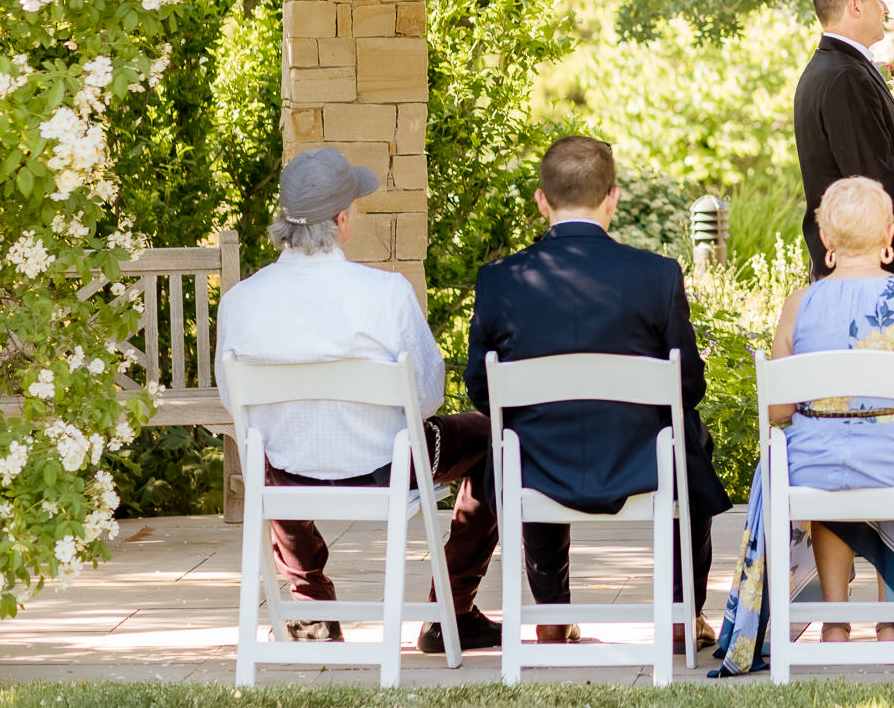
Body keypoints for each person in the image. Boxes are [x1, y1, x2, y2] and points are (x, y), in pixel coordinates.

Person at [715, 177, 894, 672]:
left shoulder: (798, 305)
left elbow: (780, 412)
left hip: (811, 465)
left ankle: (834, 623)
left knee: (823, 456)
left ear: (825, 240)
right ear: (890, 234)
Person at [216, 147, 499, 650]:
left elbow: (232, 403)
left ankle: (311, 606)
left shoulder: (241, 300)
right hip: (385, 469)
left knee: (264, 447)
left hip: (286, 476)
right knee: (496, 434)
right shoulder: (385, 293)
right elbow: (428, 398)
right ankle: (449, 613)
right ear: (342, 220)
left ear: (284, 221)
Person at [465, 135, 731, 651]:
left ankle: (552, 615)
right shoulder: (656, 274)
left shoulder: (500, 280)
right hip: (642, 461)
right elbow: (688, 386)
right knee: (688, 434)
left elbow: (483, 390)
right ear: (613, 197)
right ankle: (681, 615)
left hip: (537, 464)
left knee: (522, 430)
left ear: (541, 199)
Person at [793, 0, 894, 278]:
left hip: (858, 260)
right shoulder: (844, 76)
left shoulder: (829, 68)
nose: (885, 8)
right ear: (855, 7)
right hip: (859, 267)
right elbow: (873, 175)